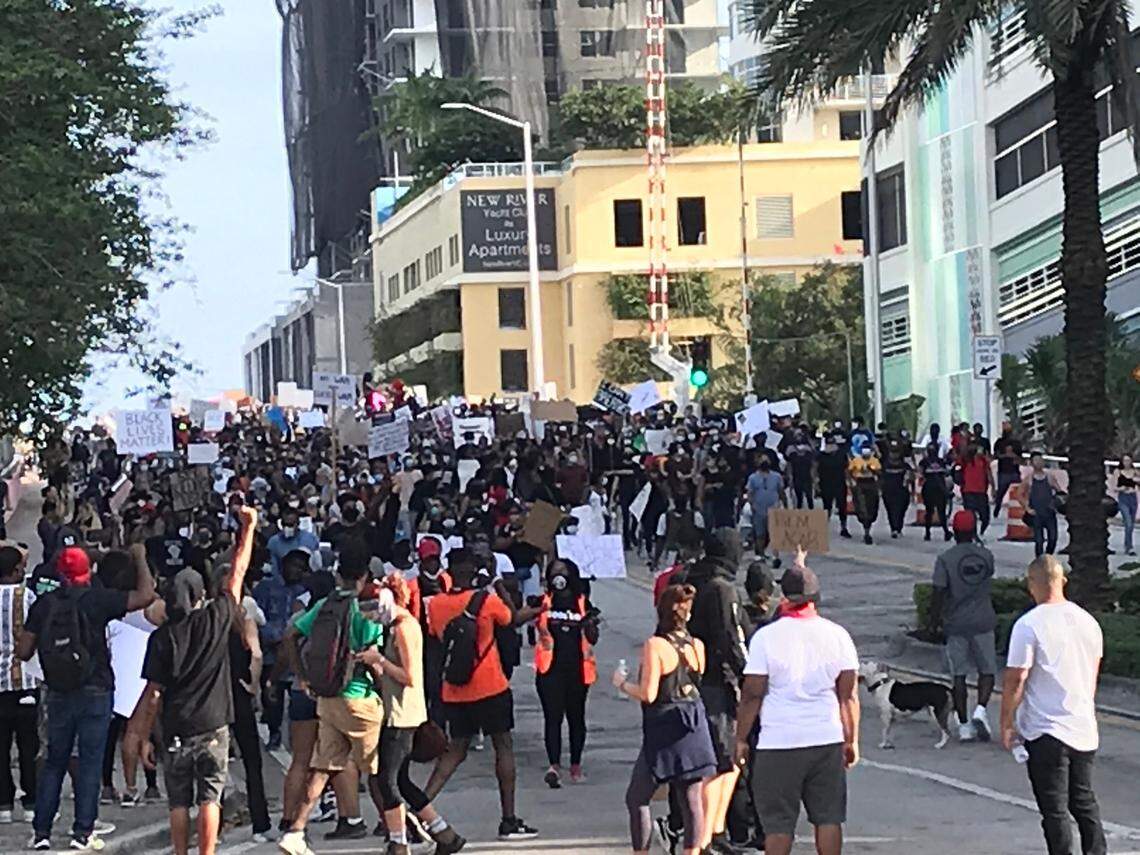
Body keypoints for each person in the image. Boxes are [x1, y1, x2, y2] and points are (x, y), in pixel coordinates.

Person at [122, 507, 258, 855]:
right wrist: (248, 529)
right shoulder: (217, 618)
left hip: (176, 727)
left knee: (178, 801)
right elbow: (237, 574)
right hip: (214, 725)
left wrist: (140, 736)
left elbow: (153, 693)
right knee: (210, 798)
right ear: (200, 597)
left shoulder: (162, 639)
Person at [18, 543, 157, 851]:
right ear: (88, 571)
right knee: (91, 762)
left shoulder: (44, 604)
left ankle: (41, 832)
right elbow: (146, 596)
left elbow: (23, 650)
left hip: (58, 692)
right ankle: (82, 832)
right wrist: (140, 558)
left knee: (55, 760)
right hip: (96, 689)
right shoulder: (98, 600)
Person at [734, 553, 860, 855]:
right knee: (828, 818)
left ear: (784, 596)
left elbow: (752, 693)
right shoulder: (838, 635)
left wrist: (740, 738)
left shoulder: (766, 637)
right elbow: (848, 695)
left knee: (778, 826)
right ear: (815, 597)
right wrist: (851, 739)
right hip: (825, 738)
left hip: (779, 741)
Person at [423, 548, 542, 841]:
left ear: (448, 572)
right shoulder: (487, 601)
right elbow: (512, 617)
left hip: (454, 690)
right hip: (491, 687)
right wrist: (500, 586)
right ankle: (509, 820)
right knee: (503, 746)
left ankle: (419, 810)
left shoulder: (436, 604)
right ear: (475, 572)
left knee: (454, 751)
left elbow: (438, 637)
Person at [279, 539, 385, 854]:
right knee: (381, 767)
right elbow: (373, 655)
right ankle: (397, 826)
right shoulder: (364, 609)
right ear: (365, 574)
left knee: (324, 765)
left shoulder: (325, 605)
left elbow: (291, 635)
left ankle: (295, 831)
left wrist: (303, 676)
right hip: (358, 695)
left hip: (328, 697)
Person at [1000, 555, 1106, 855]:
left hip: (1046, 729)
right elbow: (1092, 677)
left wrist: (1007, 722)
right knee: (1084, 802)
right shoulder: (1089, 622)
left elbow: (1016, 678)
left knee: (1054, 808)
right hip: (1083, 725)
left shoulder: (1029, 625)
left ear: (1031, 584)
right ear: (1063, 582)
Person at [357, 574, 465, 855]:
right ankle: (444, 833)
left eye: (371, 609)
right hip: (398, 710)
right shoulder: (394, 627)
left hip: (403, 716)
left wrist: (378, 660)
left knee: (387, 780)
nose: (370, 617)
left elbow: (410, 676)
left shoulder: (404, 628)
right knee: (402, 781)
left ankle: (398, 842)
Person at [615, 584, 718, 855]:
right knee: (691, 797)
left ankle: (641, 852)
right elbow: (697, 679)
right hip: (694, 724)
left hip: (664, 727)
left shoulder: (656, 646)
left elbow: (648, 693)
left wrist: (623, 684)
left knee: (637, 797)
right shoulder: (697, 646)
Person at [686, 530, 749, 855]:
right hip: (715, 683)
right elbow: (731, 638)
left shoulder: (692, 579)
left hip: (696, 681)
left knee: (726, 763)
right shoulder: (723, 590)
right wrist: (750, 678)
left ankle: (717, 831)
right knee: (720, 763)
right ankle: (707, 837)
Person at [930, 511, 997, 743]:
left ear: (954, 531)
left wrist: (934, 622)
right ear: (974, 529)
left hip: (956, 623)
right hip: (983, 620)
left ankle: (965, 725)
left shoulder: (945, 559)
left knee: (959, 676)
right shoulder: (986, 556)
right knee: (987, 671)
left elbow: (938, 592)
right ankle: (981, 709)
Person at [534, 559, 599, 789]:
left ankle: (575, 765)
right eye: (554, 573)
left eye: (563, 573)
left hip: (578, 670)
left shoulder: (582, 602)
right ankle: (554, 765)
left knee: (576, 718)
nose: (559, 577)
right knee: (553, 718)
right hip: (549, 669)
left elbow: (593, 638)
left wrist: (590, 623)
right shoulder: (544, 602)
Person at [0, 546, 38, 824]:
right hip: (25, 682)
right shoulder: (28, 598)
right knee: (28, 745)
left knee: (0, 747)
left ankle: (3, 804)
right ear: (15, 571)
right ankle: (31, 802)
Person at [1020, 453, 1064, 558]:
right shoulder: (1029, 479)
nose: (1039, 462)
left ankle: (1048, 557)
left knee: (1053, 538)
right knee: (1039, 541)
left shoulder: (1049, 477)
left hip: (1049, 512)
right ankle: (1039, 561)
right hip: (1036, 514)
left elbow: (1059, 492)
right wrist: (1027, 508)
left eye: (1040, 460)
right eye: (1036, 460)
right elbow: (1019, 494)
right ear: (1031, 463)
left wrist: (1059, 502)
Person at [745, 458, 785, 563]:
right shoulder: (753, 478)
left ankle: (776, 556)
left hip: (774, 508)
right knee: (760, 534)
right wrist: (752, 505)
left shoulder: (776, 476)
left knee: (774, 534)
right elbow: (750, 493)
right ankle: (760, 555)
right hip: (759, 509)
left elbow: (781, 491)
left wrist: (785, 505)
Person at [957, 443, 994, 537]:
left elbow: (988, 474)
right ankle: (974, 534)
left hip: (981, 492)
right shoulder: (965, 461)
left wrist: (993, 487)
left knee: (985, 516)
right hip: (968, 491)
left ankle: (980, 532)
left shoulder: (983, 461)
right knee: (971, 515)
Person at [817, 436, 850, 539]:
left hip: (839, 483)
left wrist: (849, 481)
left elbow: (846, 468)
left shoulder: (841, 455)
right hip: (825, 483)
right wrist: (815, 482)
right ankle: (824, 528)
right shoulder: (821, 456)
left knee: (842, 507)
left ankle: (843, 528)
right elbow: (815, 468)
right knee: (827, 506)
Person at [919, 442, 952, 542]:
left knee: (929, 511)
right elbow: (947, 473)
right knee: (941, 511)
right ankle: (945, 532)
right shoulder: (941, 461)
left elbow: (921, 473)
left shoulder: (924, 462)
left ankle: (928, 533)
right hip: (939, 489)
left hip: (929, 488)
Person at [847, 448, 881, 544]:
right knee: (862, 507)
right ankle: (866, 531)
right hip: (860, 484)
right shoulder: (856, 461)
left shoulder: (874, 461)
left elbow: (879, 473)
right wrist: (851, 481)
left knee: (872, 506)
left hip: (871, 483)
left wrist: (872, 469)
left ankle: (868, 527)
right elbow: (849, 471)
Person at [992, 425, 1024, 517]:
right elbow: (996, 455)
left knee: (1019, 491)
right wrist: (1005, 456)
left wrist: (1013, 457)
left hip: (1013, 471)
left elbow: (1020, 457)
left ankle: (1021, 509)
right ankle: (997, 509)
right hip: (1004, 471)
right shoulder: (999, 442)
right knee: (1001, 493)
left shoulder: (1016, 443)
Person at [1116, 454, 1138, 556]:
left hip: (1133, 498)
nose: (1127, 463)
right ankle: (1129, 547)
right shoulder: (1118, 472)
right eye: (1125, 461)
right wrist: (1122, 488)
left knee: (1131, 524)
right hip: (1123, 498)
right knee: (1128, 522)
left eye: (1128, 460)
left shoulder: (1135, 472)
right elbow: (1114, 487)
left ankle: (1128, 544)